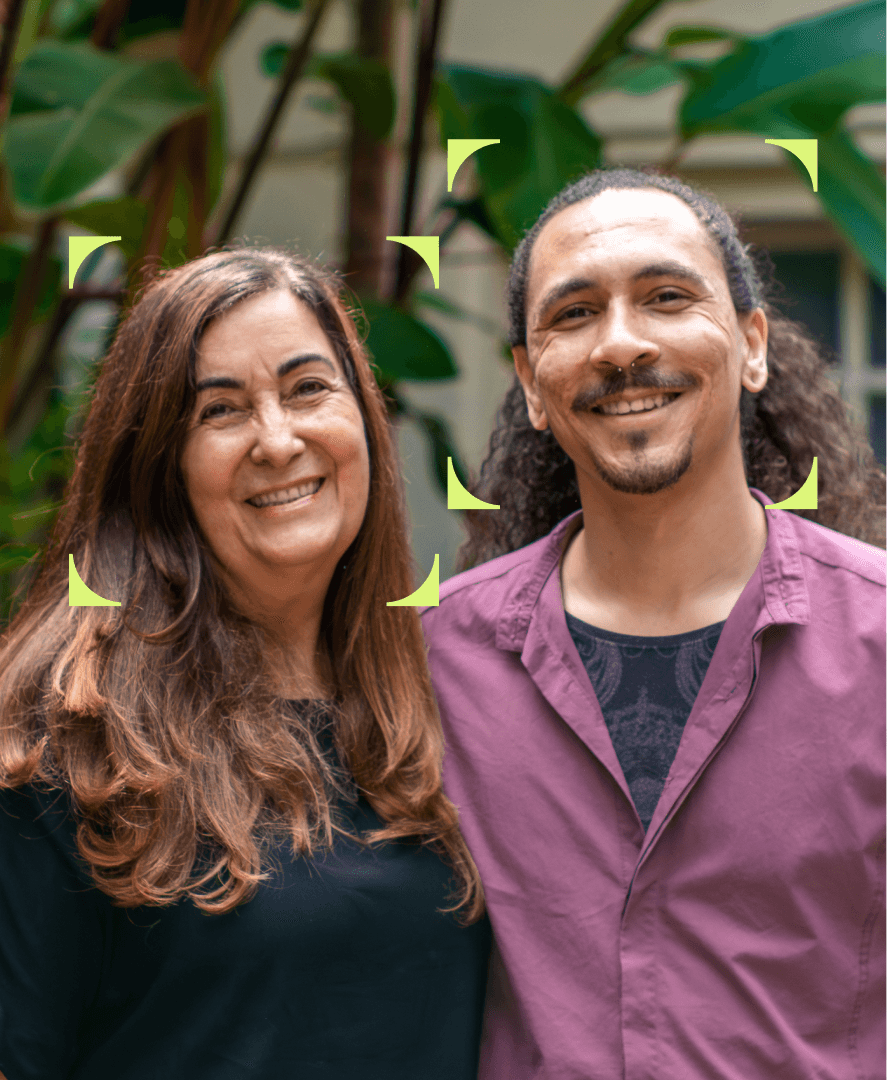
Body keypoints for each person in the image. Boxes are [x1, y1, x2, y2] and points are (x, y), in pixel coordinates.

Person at [421, 169, 885, 1079]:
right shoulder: (432, 663)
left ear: (751, 345)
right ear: (529, 381)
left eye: (667, 297)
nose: (621, 344)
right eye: (574, 314)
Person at [0, 248, 490, 1080]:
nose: (277, 438)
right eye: (219, 410)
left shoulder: (435, 705)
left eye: (308, 389)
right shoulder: (64, 743)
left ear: (365, 421)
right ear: (158, 465)